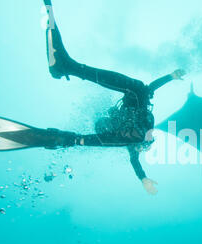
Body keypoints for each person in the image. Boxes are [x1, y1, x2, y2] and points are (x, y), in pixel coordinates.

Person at [43, 0, 186, 194]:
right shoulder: (145, 119)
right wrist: (171, 76)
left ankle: (67, 138)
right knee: (140, 89)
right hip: (133, 96)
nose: (134, 136)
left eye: (134, 139)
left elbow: (134, 161)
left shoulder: (125, 141)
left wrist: (143, 178)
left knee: (115, 130)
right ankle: (67, 66)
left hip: (109, 123)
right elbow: (151, 88)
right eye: (143, 138)